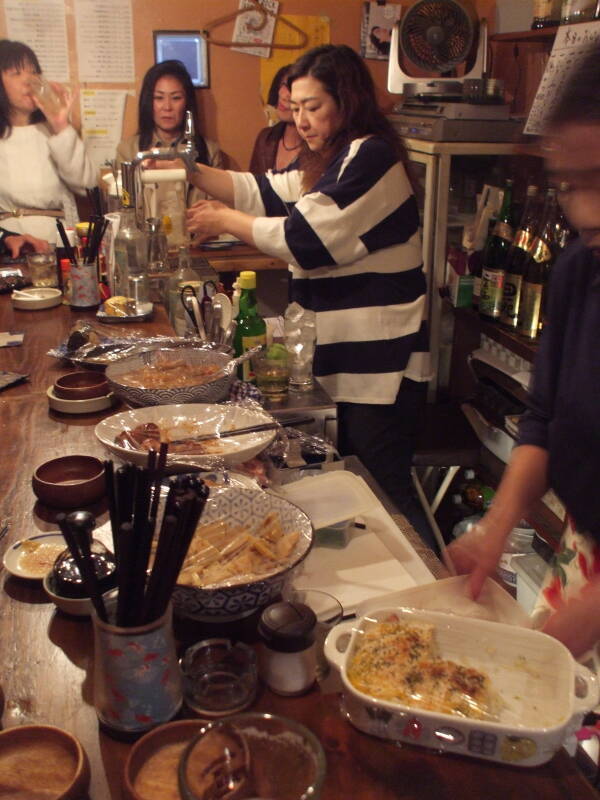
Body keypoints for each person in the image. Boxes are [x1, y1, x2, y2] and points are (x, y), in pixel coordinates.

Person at [163, 44, 434, 546]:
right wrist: (190, 170)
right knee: (364, 485)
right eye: (296, 108)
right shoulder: (332, 161)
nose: (302, 121)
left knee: (387, 488)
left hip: (381, 367)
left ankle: (439, 588)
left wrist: (224, 221)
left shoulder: (371, 156)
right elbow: (263, 190)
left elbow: (305, 241)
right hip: (352, 363)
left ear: (347, 101)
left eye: (314, 107)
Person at [448, 46, 600, 659]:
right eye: (570, 183)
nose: (584, 209)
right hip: (586, 553)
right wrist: (494, 528)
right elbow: (542, 422)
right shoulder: (577, 270)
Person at [0, 39, 96, 244]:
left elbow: (87, 185)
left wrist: (61, 126)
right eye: (16, 73)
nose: (28, 80)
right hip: (10, 248)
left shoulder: (52, 130)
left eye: (34, 72)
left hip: (58, 242)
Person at [116, 59, 222, 208]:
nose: (167, 107)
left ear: (187, 102)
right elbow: (124, 207)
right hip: (146, 231)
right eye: (159, 98)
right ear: (148, 101)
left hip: (194, 231)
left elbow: (215, 212)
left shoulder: (210, 151)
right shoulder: (128, 151)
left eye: (176, 98)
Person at [249, 64, 304, 173]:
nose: (282, 94)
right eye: (282, 85)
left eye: (292, 89)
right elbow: (252, 186)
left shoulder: (322, 147)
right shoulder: (266, 138)